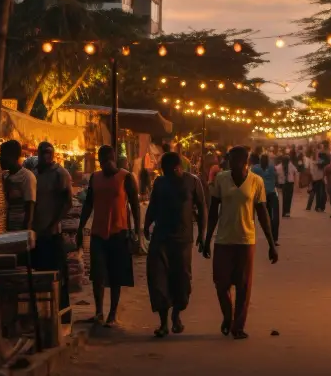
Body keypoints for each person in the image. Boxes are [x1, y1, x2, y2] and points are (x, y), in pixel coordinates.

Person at [200, 146, 278, 339]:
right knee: (221, 283)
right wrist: (207, 238)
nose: (229, 163)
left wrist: (271, 244)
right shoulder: (221, 179)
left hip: (245, 240)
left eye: (234, 160)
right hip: (223, 239)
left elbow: (262, 213)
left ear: (244, 162)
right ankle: (228, 316)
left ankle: (238, 325)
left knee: (243, 285)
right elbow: (213, 212)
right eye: (229, 160)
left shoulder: (256, 182)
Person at [143, 152, 205, 338]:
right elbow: (153, 205)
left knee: (182, 280)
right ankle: (163, 323)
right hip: (160, 238)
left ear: (178, 168)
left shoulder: (193, 182)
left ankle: (176, 315)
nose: (165, 175)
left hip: (183, 240)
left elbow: (202, 208)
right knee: (158, 279)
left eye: (168, 171)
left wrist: (202, 234)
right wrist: (146, 225)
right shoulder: (160, 183)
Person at [78, 145, 140, 327]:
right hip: (98, 232)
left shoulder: (125, 177)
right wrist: (80, 228)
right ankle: (98, 312)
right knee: (97, 274)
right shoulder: (95, 178)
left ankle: (112, 314)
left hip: (119, 232)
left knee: (115, 275)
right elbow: (88, 205)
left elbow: (135, 205)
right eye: (102, 160)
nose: (105, 164)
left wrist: (136, 229)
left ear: (113, 159)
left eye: (107, 160)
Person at [31, 141, 73, 323]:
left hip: (53, 233)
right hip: (36, 234)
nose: (46, 156)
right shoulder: (34, 174)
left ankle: (63, 316)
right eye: (43, 153)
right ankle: (44, 316)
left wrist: (53, 223)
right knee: (39, 276)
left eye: (49, 153)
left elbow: (67, 203)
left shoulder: (60, 174)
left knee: (58, 277)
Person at [0, 139, 36, 233]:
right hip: (4, 228)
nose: (0, 158)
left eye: (3, 155)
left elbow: (30, 209)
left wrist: (24, 235)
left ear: (13, 157)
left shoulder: (27, 176)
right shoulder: (5, 176)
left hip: (18, 230)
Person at [251, 154, 280, 246]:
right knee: (274, 216)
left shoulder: (255, 168)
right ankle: (274, 238)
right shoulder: (271, 167)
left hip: (261, 195)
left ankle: (268, 236)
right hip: (272, 193)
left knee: (264, 216)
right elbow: (276, 178)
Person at [305, 147, 327, 212]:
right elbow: (322, 165)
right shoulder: (319, 161)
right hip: (319, 178)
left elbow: (308, 169)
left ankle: (309, 207)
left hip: (313, 178)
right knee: (319, 193)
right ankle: (318, 207)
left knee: (313, 191)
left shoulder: (311, 160)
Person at [276, 153, 297, 218]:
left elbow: (276, 174)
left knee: (284, 198)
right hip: (290, 183)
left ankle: (284, 212)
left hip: (282, 184)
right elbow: (296, 172)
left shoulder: (278, 167)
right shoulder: (291, 165)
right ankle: (287, 212)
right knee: (289, 198)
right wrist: (296, 184)